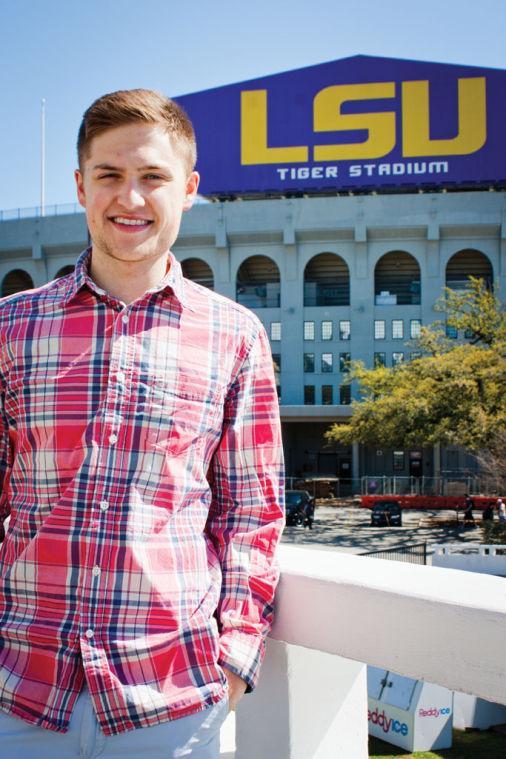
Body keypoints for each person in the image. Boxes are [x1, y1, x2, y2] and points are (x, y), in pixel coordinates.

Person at [0, 89, 284, 758]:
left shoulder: (235, 337)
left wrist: (234, 658)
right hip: (18, 692)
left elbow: (253, 511)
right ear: (80, 185)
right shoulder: (11, 328)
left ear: (187, 189)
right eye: (110, 175)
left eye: (152, 176)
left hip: (173, 702)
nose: (130, 197)